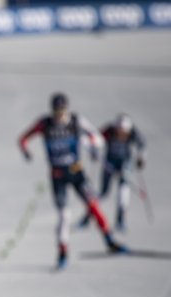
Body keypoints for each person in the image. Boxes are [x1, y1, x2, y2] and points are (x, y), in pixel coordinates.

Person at [18, 92, 126, 268]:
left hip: (77, 172)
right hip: (57, 175)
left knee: (93, 204)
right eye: (56, 111)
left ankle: (109, 240)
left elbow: (97, 138)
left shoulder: (76, 121)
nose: (59, 114)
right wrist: (26, 152)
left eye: (62, 110)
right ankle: (62, 252)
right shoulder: (45, 124)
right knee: (64, 216)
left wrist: (91, 144)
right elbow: (23, 139)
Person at [78, 113, 146, 231]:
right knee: (103, 193)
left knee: (123, 192)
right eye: (119, 130)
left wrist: (141, 157)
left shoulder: (133, 132)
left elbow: (142, 144)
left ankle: (121, 220)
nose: (121, 133)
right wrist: (94, 152)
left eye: (124, 131)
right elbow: (95, 139)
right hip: (109, 164)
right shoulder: (109, 130)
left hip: (125, 164)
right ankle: (88, 217)